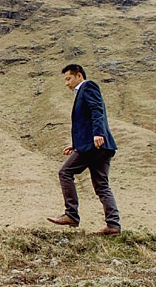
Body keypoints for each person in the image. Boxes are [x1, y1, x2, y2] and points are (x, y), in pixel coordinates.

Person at [47, 64, 122, 235]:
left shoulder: (88, 86)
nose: (66, 83)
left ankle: (71, 214)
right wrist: (75, 144)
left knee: (65, 172)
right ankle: (113, 226)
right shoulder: (81, 92)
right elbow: (86, 120)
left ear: (79, 75)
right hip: (99, 145)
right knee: (102, 186)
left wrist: (98, 134)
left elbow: (97, 111)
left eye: (68, 79)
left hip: (94, 144)